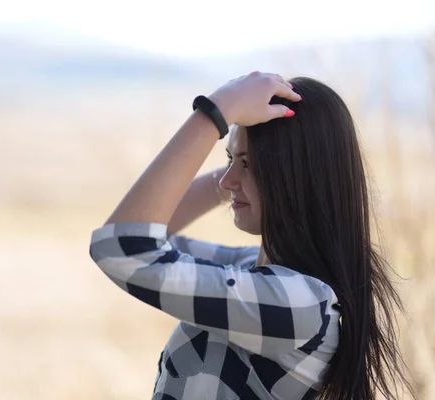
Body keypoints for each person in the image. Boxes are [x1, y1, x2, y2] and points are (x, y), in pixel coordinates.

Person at [88, 72, 413, 400]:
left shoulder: (296, 304)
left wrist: (217, 110)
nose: (226, 181)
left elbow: (123, 247)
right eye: (229, 161)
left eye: (246, 165)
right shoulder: (254, 271)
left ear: (296, 175)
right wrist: (241, 167)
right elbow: (146, 227)